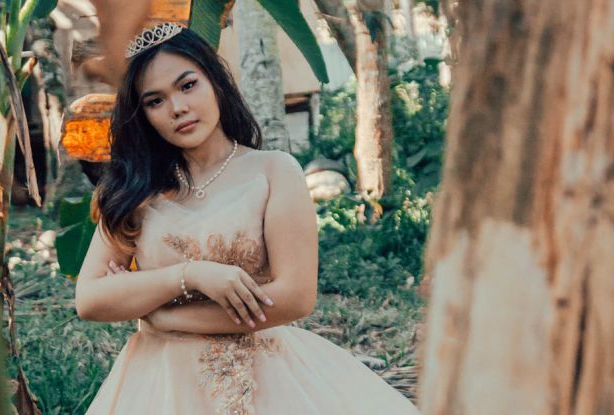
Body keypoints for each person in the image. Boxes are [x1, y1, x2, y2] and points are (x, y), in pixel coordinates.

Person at [75, 22, 420, 414]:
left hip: (266, 376)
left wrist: (161, 314)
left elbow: (293, 298)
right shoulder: (133, 190)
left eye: (188, 85)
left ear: (215, 81)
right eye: (155, 101)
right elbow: (89, 299)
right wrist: (188, 274)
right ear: (143, 115)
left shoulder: (273, 171)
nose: (178, 108)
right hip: (161, 386)